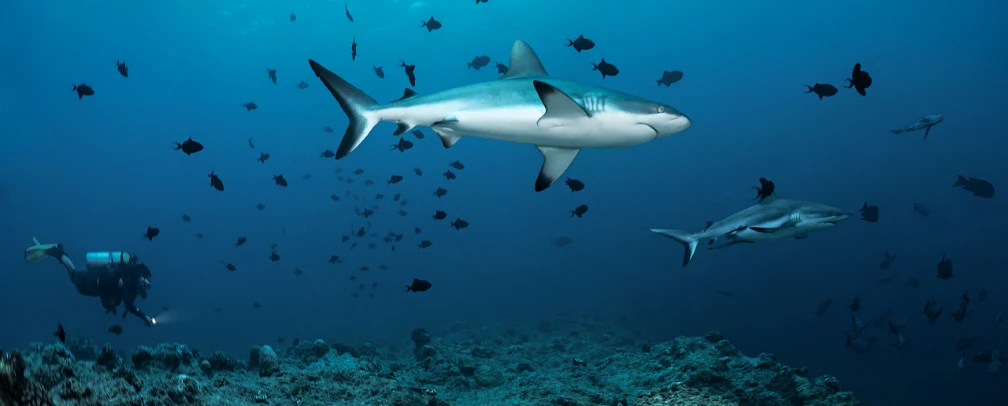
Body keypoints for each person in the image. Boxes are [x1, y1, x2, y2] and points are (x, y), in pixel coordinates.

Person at [25, 237, 154, 326]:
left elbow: (126, 302)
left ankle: (59, 254)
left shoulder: (130, 280)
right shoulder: (128, 280)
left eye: (146, 286)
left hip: (95, 285)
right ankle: (58, 251)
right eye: (146, 283)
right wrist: (144, 316)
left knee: (73, 276)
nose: (146, 285)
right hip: (93, 282)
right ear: (142, 278)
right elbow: (128, 305)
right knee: (73, 274)